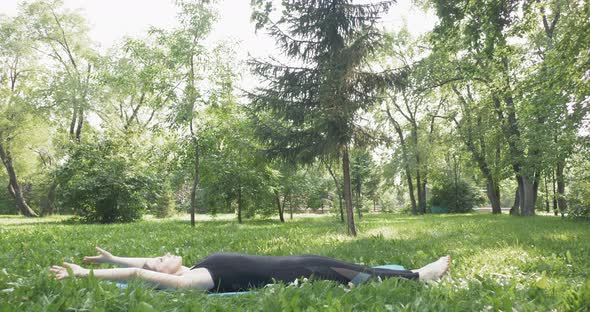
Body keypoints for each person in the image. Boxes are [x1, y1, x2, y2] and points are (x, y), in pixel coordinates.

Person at [50, 247, 450, 292]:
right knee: (343, 271)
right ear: (168, 274)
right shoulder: (195, 278)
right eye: (160, 260)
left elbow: (138, 265)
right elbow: (141, 274)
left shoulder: (191, 266)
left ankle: (407, 276)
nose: (161, 255)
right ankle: (416, 278)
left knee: (346, 267)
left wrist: (112, 259)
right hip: (294, 273)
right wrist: (86, 276)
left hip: (294, 261)